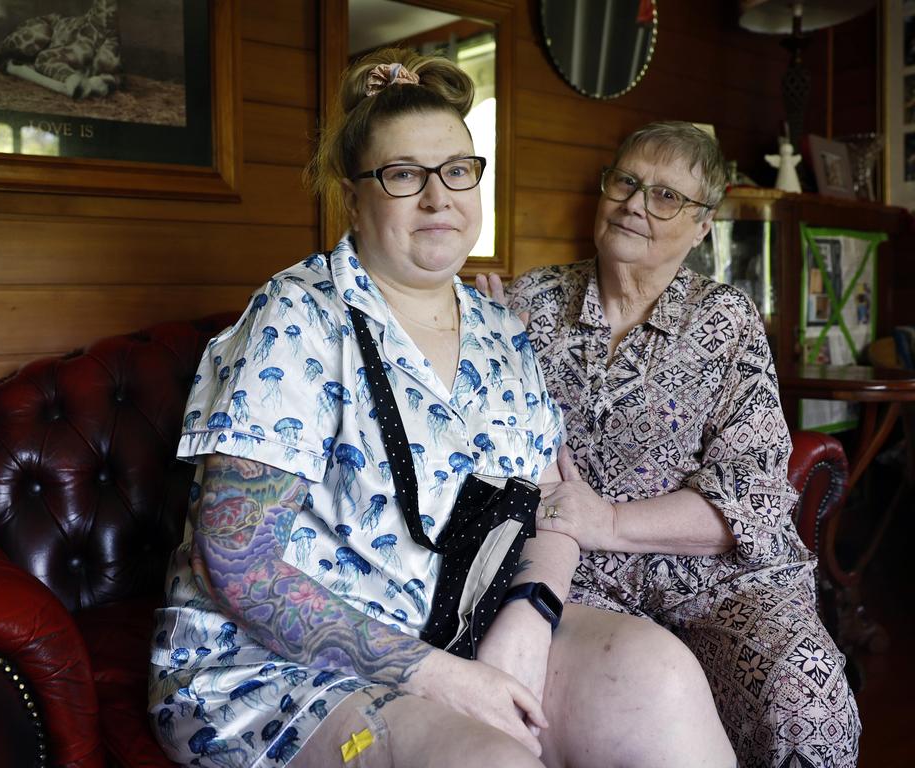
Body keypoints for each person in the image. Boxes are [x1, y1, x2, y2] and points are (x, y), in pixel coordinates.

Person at [149, 51, 736, 768]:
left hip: (456, 626)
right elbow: (236, 565)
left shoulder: (500, 333)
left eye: (458, 170)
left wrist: (532, 612)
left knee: (660, 674)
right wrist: (448, 681)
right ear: (351, 195)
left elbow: (549, 498)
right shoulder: (296, 319)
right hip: (278, 669)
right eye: (404, 175)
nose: (439, 199)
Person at [478, 120, 860, 768]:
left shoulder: (725, 319)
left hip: (720, 579)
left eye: (665, 195)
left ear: (702, 225)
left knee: (807, 696)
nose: (634, 203)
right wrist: (480, 354)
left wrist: (612, 521)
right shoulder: (531, 304)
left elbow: (752, 494)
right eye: (625, 181)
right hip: (579, 578)